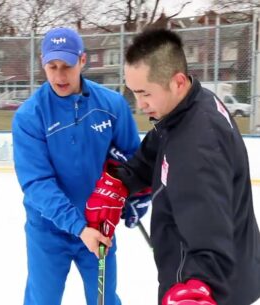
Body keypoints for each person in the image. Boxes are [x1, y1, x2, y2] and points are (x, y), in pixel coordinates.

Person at [86, 28, 260, 305]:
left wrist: (197, 290)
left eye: (145, 93)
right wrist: (120, 182)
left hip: (209, 290)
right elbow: (151, 155)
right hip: (200, 275)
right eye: (133, 93)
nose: (139, 104)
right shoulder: (183, 110)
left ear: (177, 82)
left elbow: (210, 235)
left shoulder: (198, 146)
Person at [12, 27, 141, 305]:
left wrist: (137, 191)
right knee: (42, 300)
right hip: (48, 231)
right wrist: (79, 228)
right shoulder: (29, 116)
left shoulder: (112, 105)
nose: (59, 75)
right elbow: (36, 183)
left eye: (67, 66)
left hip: (100, 224)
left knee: (104, 300)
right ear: (42, 63)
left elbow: (135, 158)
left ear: (83, 61)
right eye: (52, 66)